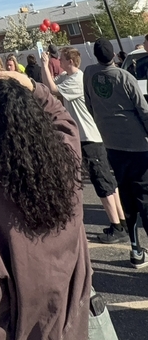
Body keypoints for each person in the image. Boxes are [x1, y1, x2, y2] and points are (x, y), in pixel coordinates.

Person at [0, 71, 91, 340]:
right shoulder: (66, 160)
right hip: (73, 317)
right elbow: (65, 122)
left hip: (27, 324)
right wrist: (35, 88)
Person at [41, 48, 126, 243]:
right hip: (87, 138)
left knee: (103, 183)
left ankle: (117, 225)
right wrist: (47, 67)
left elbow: (53, 91)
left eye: (61, 58)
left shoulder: (77, 79)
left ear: (70, 60)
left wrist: (45, 65)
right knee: (107, 182)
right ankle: (122, 221)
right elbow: (49, 85)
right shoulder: (68, 77)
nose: (58, 61)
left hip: (90, 138)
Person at [83, 38, 148, 267]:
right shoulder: (124, 77)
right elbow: (143, 110)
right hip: (137, 145)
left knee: (127, 197)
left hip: (112, 144)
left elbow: (89, 104)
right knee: (145, 198)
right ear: (113, 55)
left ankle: (135, 250)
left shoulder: (89, 73)